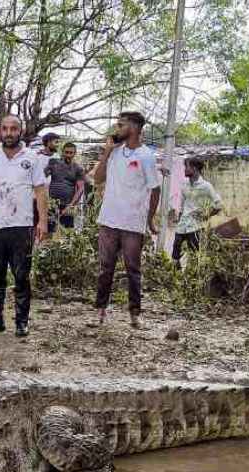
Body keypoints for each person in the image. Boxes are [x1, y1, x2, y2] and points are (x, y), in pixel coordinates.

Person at [0, 115, 47, 337]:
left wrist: (42, 221)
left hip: (22, 227)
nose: (9, 133)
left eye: (14, 128)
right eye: (5, 129)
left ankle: (22, 322)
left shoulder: (31, 158)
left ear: (20, 131)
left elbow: (41, 191)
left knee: (21, 276)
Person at [92, 111, 161, 329]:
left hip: (133, 223)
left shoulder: (146, 156)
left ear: (134, 128)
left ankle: (135, 314)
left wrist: (149, 219)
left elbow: (155, 189)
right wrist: (106, 153)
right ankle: (100, 312)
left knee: (133, 269)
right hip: (109, 220)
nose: (117, 129)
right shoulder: (114, 152)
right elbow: (98, 179)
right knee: (105, 268)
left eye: (121, 125)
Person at [173, 157, 222, 267]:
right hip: (182, 225)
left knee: (195, 256)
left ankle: (193, 280)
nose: (184, 169)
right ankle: (177, 278)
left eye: (187, 167)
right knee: (175, 255)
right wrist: (179, 217)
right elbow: (181, 204)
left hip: (196, 226)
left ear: (194, 169)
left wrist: (207, 215)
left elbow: (218, 205)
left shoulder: (206, 186)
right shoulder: (184, 185)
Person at [47, 141, 86, 232]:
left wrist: (71, 205)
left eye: (71, 153)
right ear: (62, 152)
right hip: (52, 205)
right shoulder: (54, 163)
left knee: (66, 233)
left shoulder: (78, 168)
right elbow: (41, 178)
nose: (68, 155)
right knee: (49, 231)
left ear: (75, 154)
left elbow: (80, 189)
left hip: (67, 205)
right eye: (66, 152)